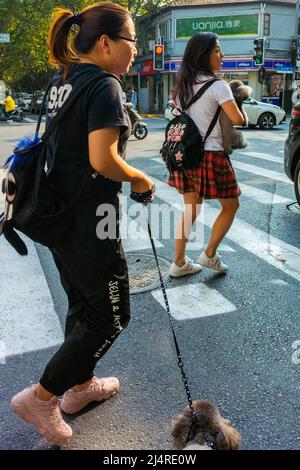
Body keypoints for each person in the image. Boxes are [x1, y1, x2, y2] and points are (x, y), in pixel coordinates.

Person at [11, 2, 154, 446]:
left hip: (58, 216)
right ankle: (41, 396)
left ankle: (80, 386)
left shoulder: (66, 78)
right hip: (93, 220)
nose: (136, 49)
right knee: (110, 317)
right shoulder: (104, 85)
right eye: (132, 41)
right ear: (107, 42)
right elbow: (102, 160)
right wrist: (140, 176)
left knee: (82, 304)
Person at [168, 32, 244, 278]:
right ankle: (209, 253)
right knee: (231, 205)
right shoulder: (219, 86)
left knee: (190, 209)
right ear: (203, 55)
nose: (222, 55)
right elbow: (237, 119)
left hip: (186, 156)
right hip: (211, 155)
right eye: (217, 50)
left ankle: (178, 262)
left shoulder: (181, 87)